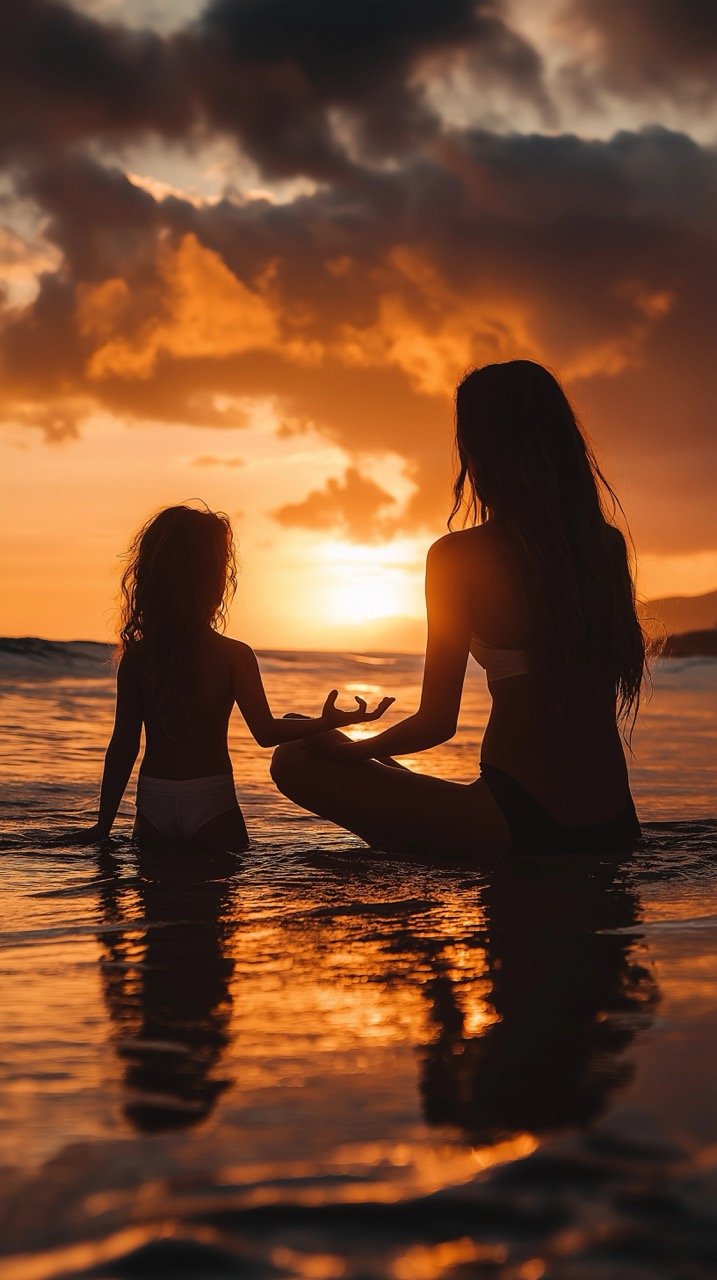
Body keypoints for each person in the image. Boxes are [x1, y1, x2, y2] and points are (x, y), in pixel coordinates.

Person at [271, 360, 646, 858]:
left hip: (519, 818)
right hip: (614, 822)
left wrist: (357, 751)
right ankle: (416, 841)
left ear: (480, 451)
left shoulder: (457, 557)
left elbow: (436, 722)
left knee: (295, 756)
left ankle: (418, 848)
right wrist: (356, 751)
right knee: (314, 732)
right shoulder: (606, 547)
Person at [71, 504, 393, 850]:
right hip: (211, 797)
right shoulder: (233, 654)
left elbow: (124, 746)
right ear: (213, 578)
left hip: (154, 801)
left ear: (153, 574)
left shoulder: (138, 657)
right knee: (215, 897)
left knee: (158, 901)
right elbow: (266, 733)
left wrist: (103, 826)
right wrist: (324, 721)